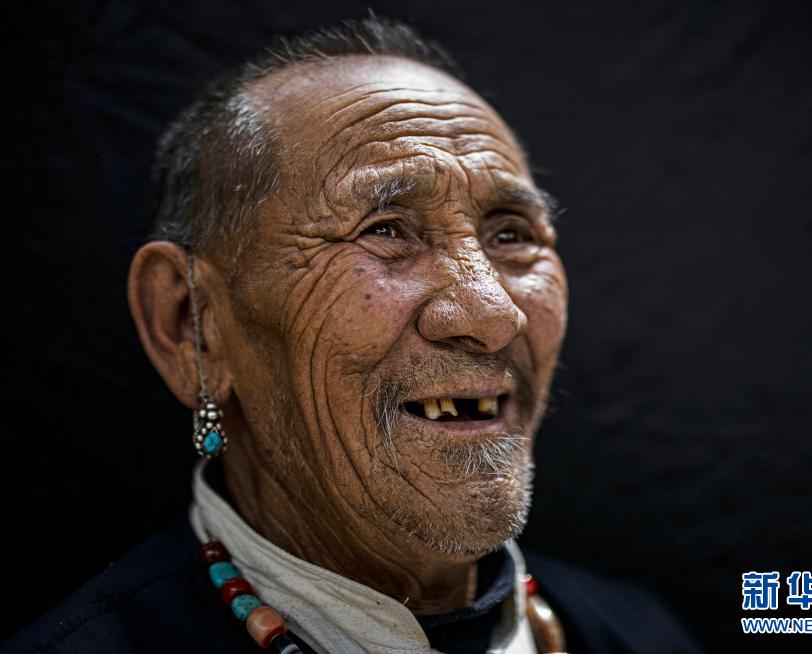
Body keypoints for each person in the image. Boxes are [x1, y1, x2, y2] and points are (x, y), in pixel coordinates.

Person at [2, 16, 698, 654]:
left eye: (511, 235)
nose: (493, 315)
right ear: (192, 324)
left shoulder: (641, 635)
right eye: (386, 230)